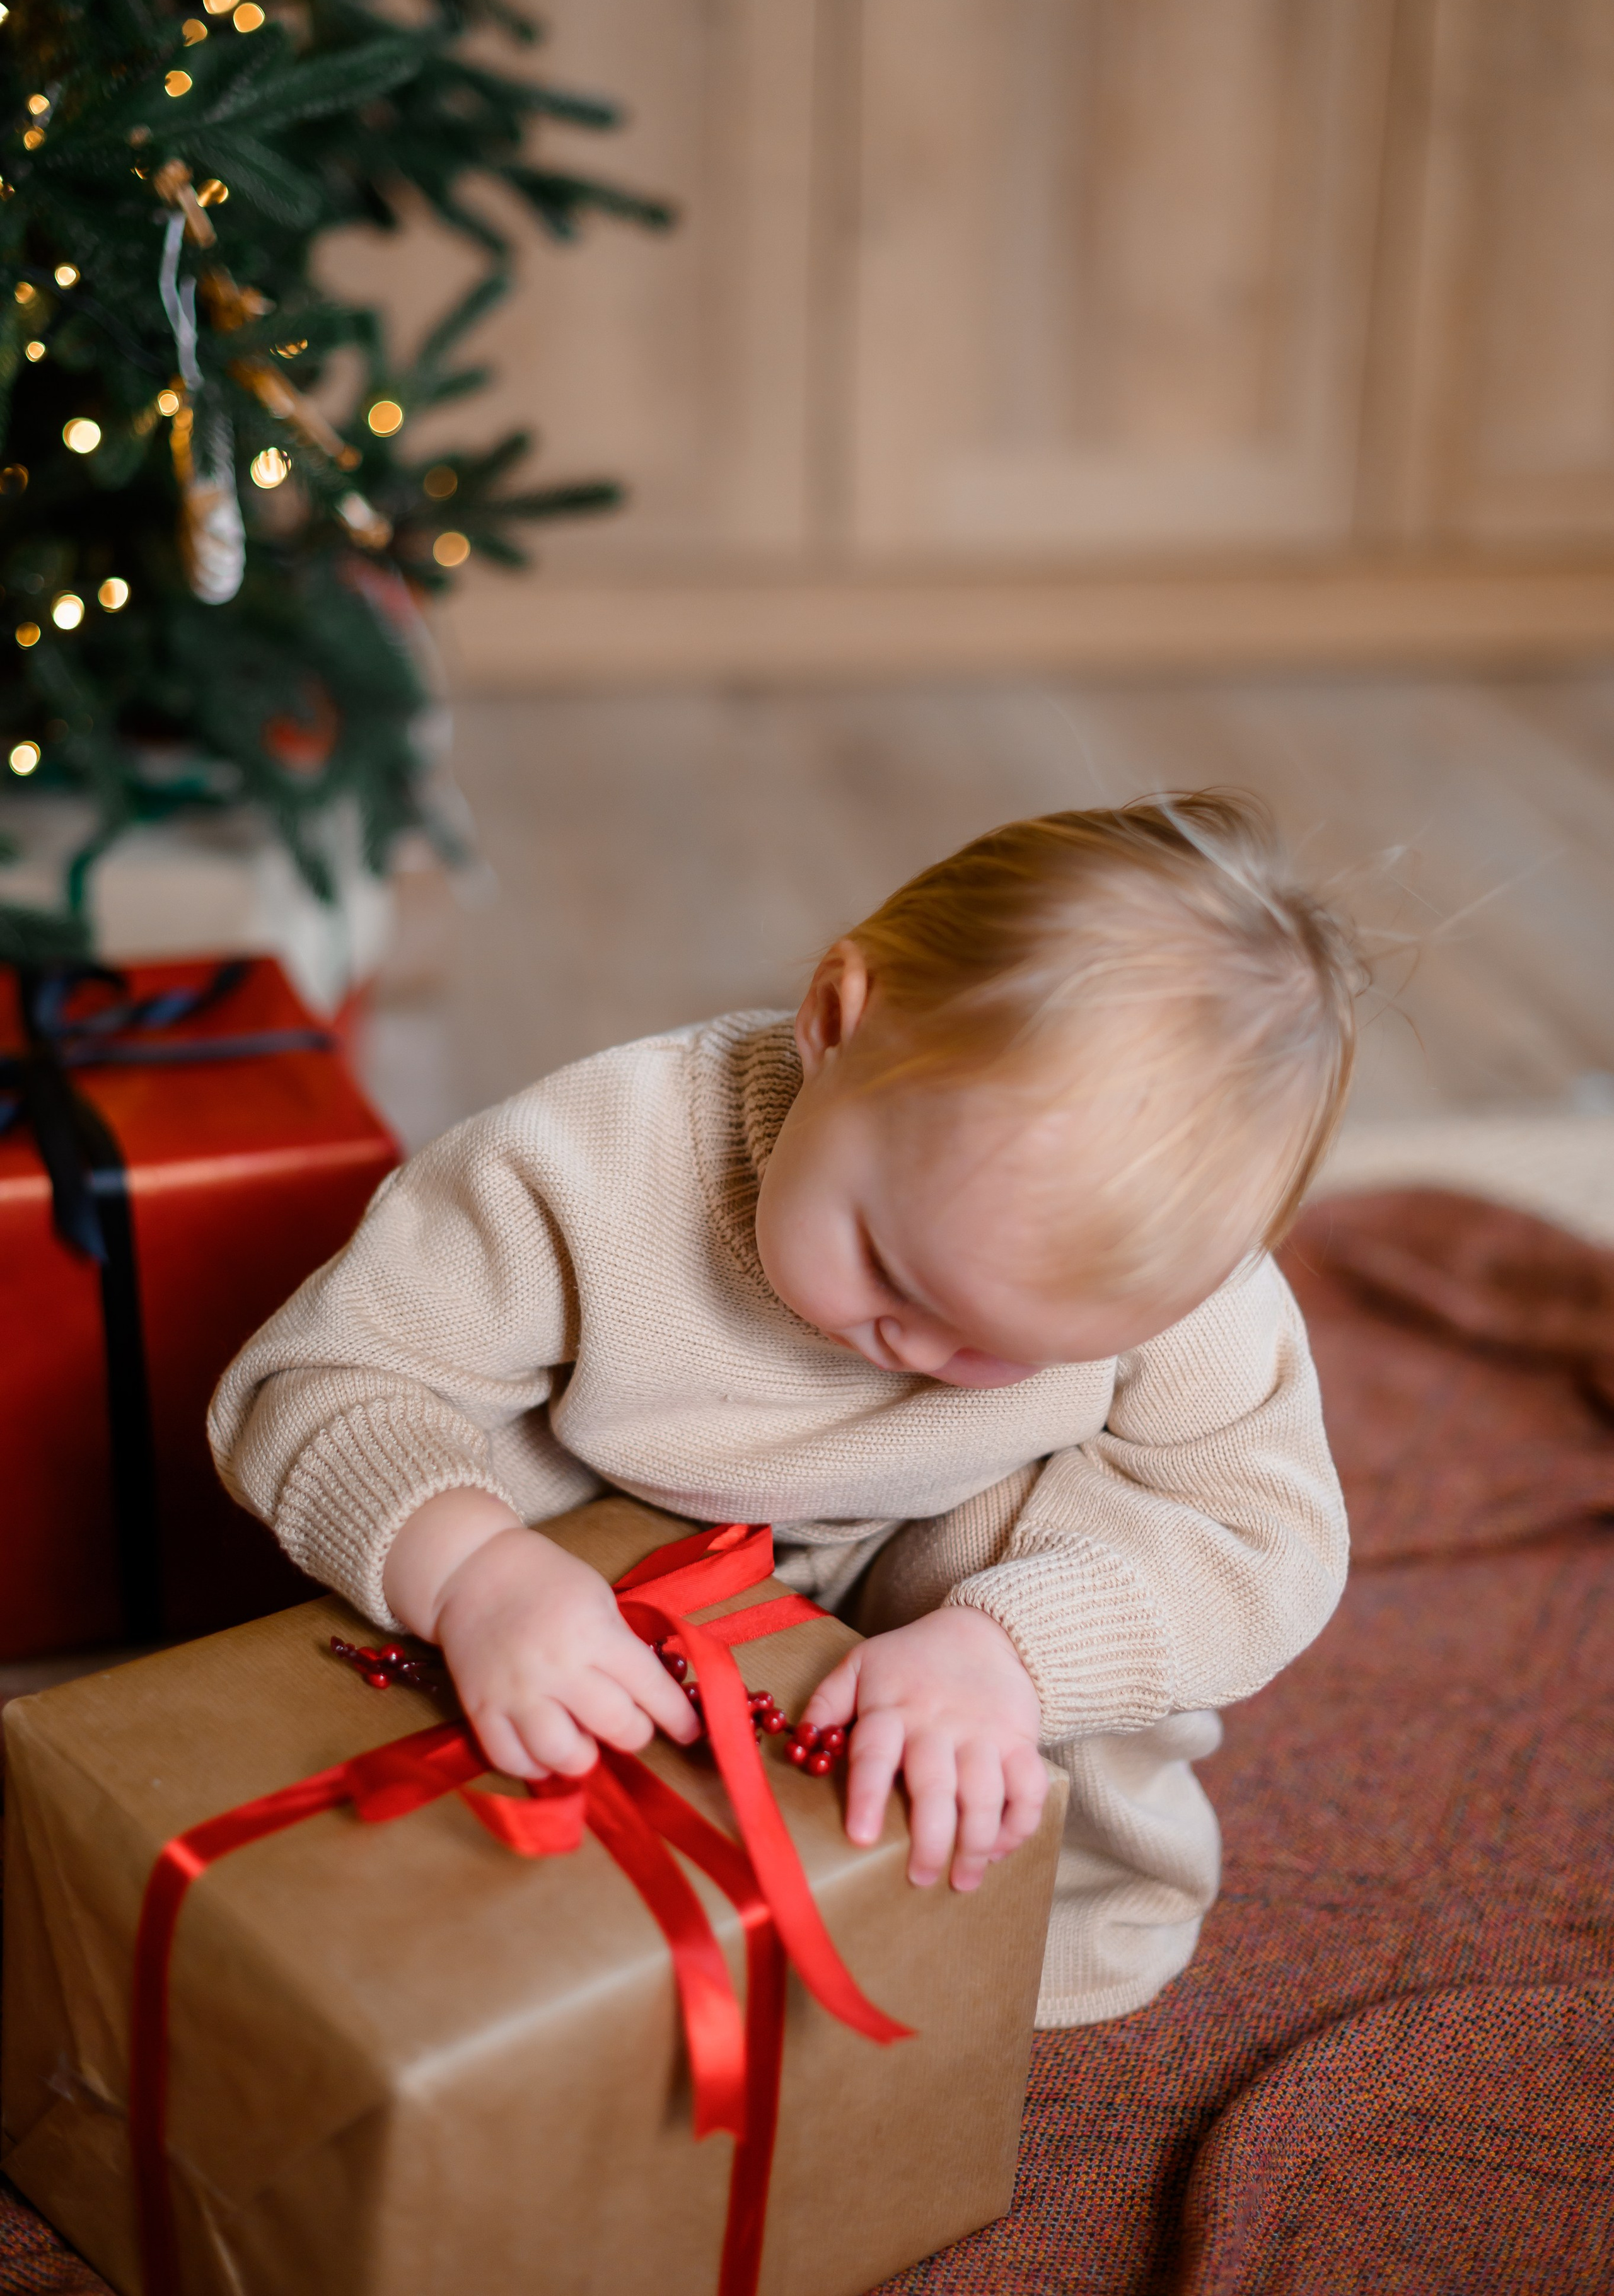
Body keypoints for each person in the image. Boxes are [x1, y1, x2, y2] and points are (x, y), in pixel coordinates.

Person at [209, 792, 1360, 2025]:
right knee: (390, 1591)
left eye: (1009, 1351)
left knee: (1092, 1613)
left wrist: (1009, 1654)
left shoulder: (1185, 1288)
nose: (918, 1353)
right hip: (600, 1536)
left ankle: (980, 1908)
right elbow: (316, 1377)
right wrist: (473, 1573)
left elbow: (1259, 1530)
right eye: (890, 1274)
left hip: (918, 1577)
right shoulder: (585, 1160)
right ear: (831, 1022)